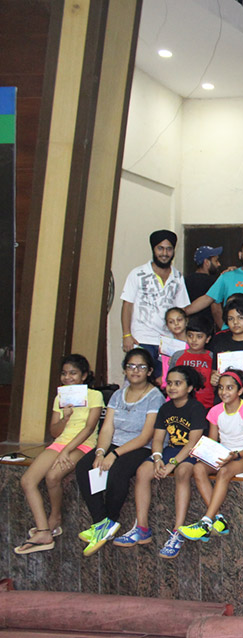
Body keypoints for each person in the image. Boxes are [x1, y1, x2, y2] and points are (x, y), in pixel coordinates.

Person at [75, 349, 164, 555]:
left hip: (141, 447)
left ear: (150, 371)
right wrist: (100, 452)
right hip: (115, 443)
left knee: (117, 471)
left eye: (141, 367)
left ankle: (110, 521)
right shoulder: (117, 395)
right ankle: (101, 522)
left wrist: (114, 455)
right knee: (84, 466)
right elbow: (107, 428)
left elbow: (145, 436)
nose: (135, 370)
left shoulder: (155, 397)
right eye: (131, 366)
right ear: (124, 370)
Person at [15, 355, 103, 554]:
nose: (67, 377)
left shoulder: (95, 395)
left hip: (83, 445)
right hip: (60, 443)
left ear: (84, 375)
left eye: (73, 373)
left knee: (53, 476)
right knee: (27, 481)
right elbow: (54, 431)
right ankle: (43, 530)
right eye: (64, 373)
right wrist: (66, 417)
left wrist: (67, 450)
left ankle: (55, 517)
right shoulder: (60, 398)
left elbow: (89, 428)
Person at [126, 365, 207, 559]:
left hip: (193, 451)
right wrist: (157, 458)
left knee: (182, 472)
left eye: (178, 383)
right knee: (143, 471)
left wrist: (172, 464)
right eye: (169, 383)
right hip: (170, 450)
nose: (172, 387)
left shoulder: (196, 408)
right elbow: (157, 439)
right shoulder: (165, 408)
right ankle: (142, 527)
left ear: (189, 387)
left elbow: (193, 442)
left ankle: (178, 531)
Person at [179, 369, 243, 542]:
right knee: (198, 468)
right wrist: (203, 453)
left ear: (240, 390)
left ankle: (205, 522)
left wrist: (235, 455)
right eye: (221, 388)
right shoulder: (215, 411)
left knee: (224, 472)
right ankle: (218, 519)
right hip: (224, 454)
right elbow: (212, 441)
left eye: (230, 388)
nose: (224, 392)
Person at [121, 230, 191, 378]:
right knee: (137, 380)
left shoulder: (177, 277)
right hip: (140, 339)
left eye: (169, 249)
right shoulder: (137, 273)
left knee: (164, 382)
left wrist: (181, 340)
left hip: (167, 342)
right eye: (160, 248)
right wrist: (126, 334)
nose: (164, 253)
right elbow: (127, 305)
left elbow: (182, 309)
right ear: (153, 249)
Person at [186, 236, 243, 332]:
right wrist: (183, 312)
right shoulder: (227, 277)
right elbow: (207, 299)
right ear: (240, 255)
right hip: (229, 336)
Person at [168, 316, 215, 410]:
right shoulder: (177, 356)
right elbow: (170, 379)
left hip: (207, 406)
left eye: (199, 336)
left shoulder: (213, 357)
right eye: (190, 335)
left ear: (207, 339)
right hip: (181, 406)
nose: (194, 340)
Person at [185, 245, 222, 326]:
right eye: (216, 261)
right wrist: (223, 329)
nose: (219, 264)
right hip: (206, 328)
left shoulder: (185, 280)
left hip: (188, 327)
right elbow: (216, 311)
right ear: (206, 262)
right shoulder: (212, 283)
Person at [160, 307, 188, 383]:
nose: (176, 324)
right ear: (167, 325)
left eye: (179, 320)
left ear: (186, 321)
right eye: (171, 322)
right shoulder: (166, 345)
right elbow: (164, 368)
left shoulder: (193, 344)